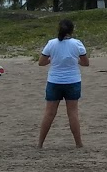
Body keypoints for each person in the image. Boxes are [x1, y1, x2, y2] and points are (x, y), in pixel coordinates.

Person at [37, 18, 89, 148]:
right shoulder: (77, 44)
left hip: (54, 81)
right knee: (72, 113)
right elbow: (86, 63)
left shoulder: (51, 43)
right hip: (72, 80)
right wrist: (75, 61)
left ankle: (40, 143)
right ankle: (78, 143)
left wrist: (52, 60)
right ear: (72, 30)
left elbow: (41, 62)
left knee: (49, 113)